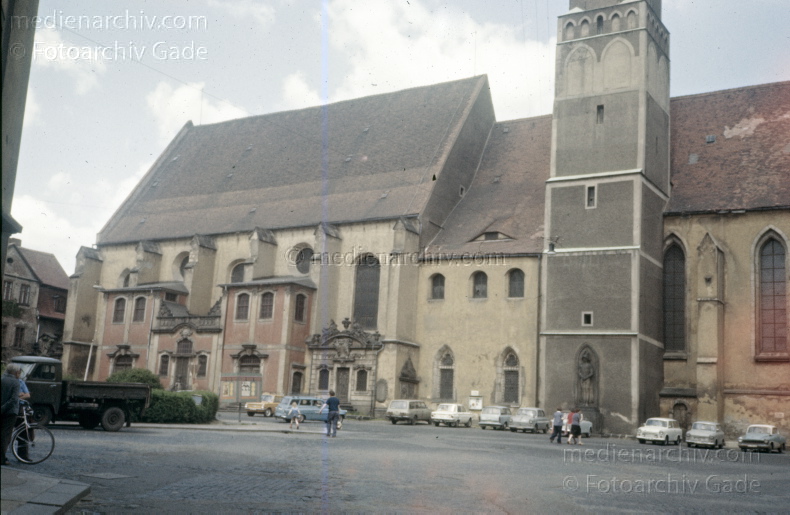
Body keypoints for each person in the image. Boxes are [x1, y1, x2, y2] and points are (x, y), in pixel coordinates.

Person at [1, 364, 23, 465]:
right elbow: (14, 399)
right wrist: (3, 408)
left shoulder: (2, 378)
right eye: (19, 372)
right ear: (15, 372)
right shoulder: (15, 382)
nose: (19, 374)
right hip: (10, 412)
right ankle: (2, 458)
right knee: (5, 435)